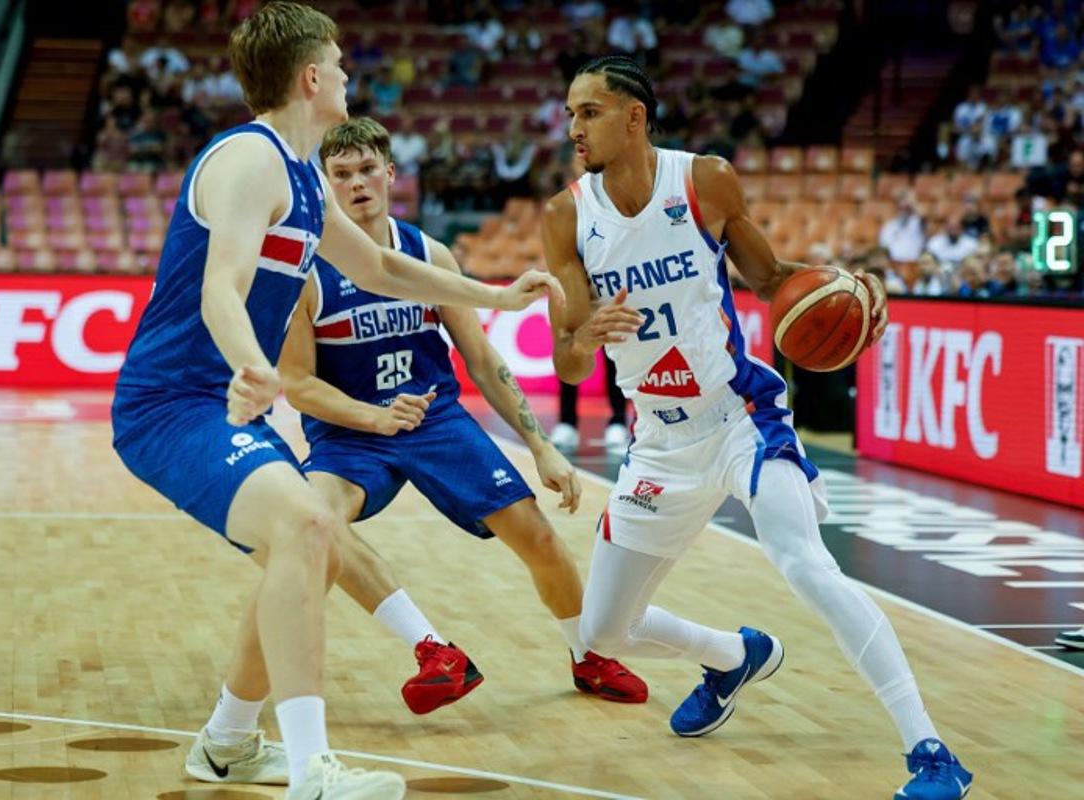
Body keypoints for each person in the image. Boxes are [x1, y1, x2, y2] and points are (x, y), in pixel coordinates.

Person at [110, 4, 561, 797]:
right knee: (310, 523)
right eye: (342, 64)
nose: (350, 76)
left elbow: (387, 271)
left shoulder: (304, 178)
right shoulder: (249, 158)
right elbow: (222, 289)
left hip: (219, 400)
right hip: (172, 402)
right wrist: (254, 369)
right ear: (312, 77)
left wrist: (496, 296)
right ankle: (314, 770)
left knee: (305, 547)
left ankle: (226, 743)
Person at [541, 55, 972, 800]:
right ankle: (731, 656)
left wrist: (846, 288)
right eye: (571, 113)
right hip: (658, 442)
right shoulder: (566, 215)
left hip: (740, 417)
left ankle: (930, 751)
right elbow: (571, 365)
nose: (572, 127)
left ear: (634, 117)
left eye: (589, 112)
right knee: (604, 634)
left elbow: (773, 281)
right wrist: (586, 338)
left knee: (806, 563)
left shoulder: (703, 180)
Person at [277, 116, 647, 715]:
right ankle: (432, 649)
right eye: (341, 174)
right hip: (351, 433)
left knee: (540, 538)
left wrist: (543, 445)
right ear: (326, 184)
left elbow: (481, 358)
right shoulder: (308, 272)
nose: (357, 184)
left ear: (391, 173)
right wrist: (371, 417)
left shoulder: (430, 254)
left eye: (368, 169)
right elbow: (296, 385)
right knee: (313, 523)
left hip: (435, 422)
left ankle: (588, 655)